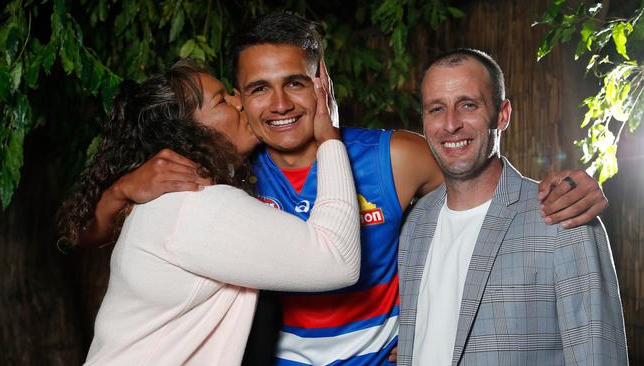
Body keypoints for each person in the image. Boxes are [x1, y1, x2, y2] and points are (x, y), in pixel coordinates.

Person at [81, 13, 609, 365]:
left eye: (294, 81)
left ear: (322, 80)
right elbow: (97, 238)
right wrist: (121, 191)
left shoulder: (393, 158)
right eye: (259, 89)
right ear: (240, 99)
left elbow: (475, 165)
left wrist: (566, 186)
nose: (280, 104)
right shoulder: (224, 175)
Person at [58, 59, 362, 365]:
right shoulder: (194, 205)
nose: (240, 102)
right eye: (222, 100)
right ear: (190, 132)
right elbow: (338, 259)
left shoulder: (180, 199)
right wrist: (329, 139)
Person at [397, 48, 627, 365]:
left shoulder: (562, 218)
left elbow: (597, 355)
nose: (450, 124)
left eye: (468, 105)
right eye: (437, 109)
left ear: (502, 114)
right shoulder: (412, 225)